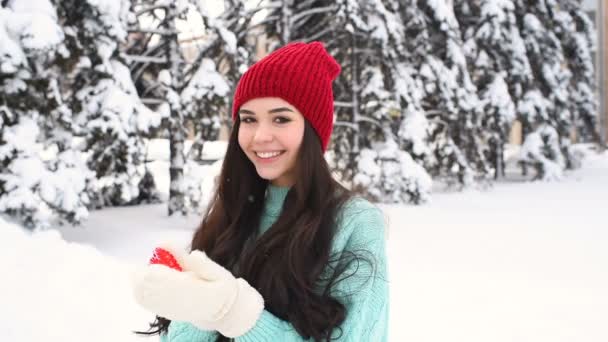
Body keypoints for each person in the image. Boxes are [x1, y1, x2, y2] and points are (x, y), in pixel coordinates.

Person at [132, 41, 389, 342]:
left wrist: (235, 313)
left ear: (312, 129)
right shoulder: (236, 210)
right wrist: (189, 301)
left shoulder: (355, 222)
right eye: (249, 119)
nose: (260, 136)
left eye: (281, 119)